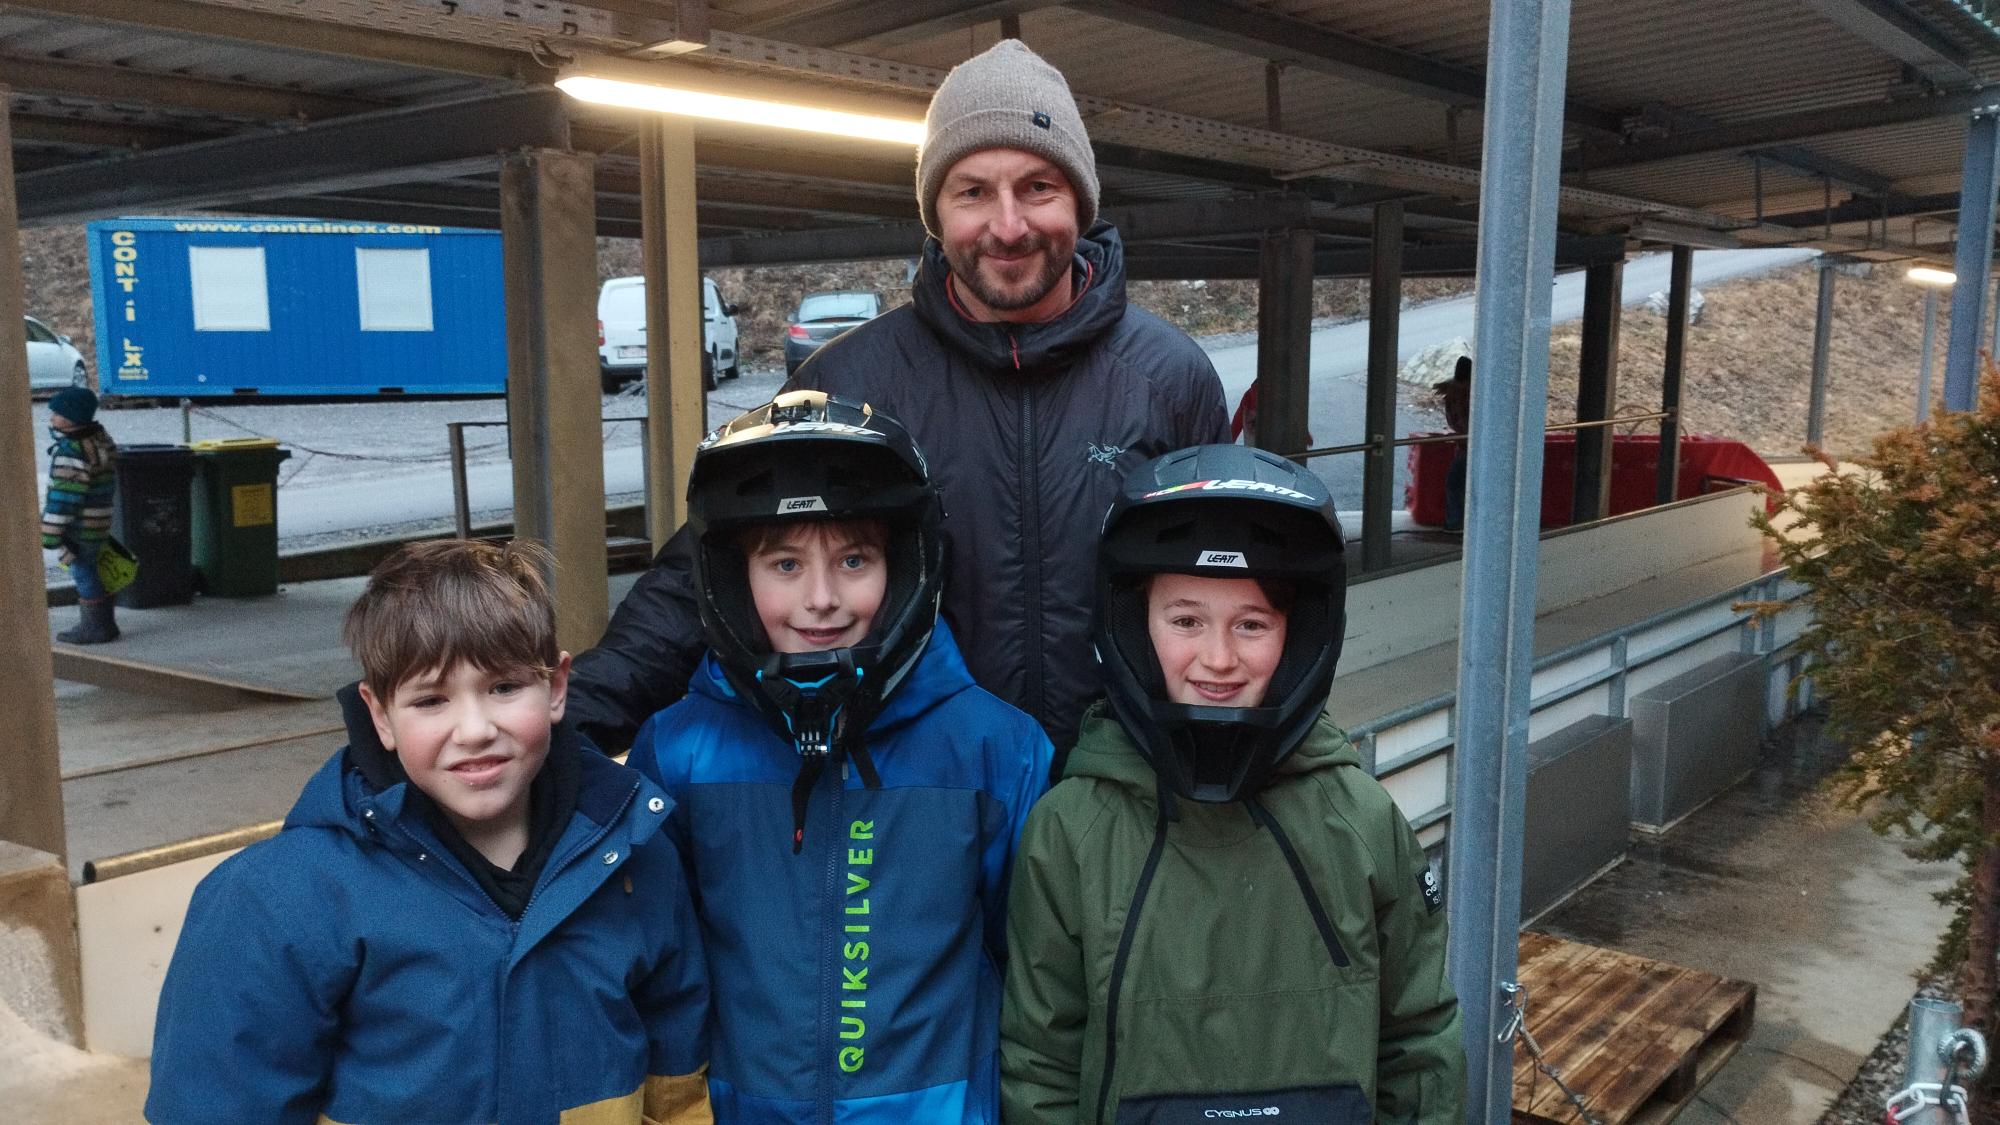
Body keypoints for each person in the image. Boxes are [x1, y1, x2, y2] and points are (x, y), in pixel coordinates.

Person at [572, 38, 1229, 757]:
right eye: (972, 192)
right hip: (915, 796)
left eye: (1038, 187)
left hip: (1120, 789)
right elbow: (708, 570)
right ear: (935, 213)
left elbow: (1235, 584)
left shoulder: (1170, 379)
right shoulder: (850, 382)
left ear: (1081, 199)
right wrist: (567, 729)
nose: (1008, 226)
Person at [147, 540, 712, 1125]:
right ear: (380, 716)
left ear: (557, 688)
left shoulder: (637, 858)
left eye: (504, 687)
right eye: (431, 700)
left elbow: (677, 1089)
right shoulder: (276, 900)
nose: (474, 730)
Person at [1001, 444, 1464, 1123]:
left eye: (1251, 624)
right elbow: (1039, 1066)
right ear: (1135, 626)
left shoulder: (1361, 820)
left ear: (1298, 636)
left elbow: (1419, 1046)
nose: (1218, 659)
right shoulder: (1070, 829)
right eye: (1186, 621)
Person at [627, 392, 1052, 1122]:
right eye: (785, 563)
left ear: (906, 563)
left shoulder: (995, 748)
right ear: (732, 576)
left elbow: (1030, 974)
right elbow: (662, 973)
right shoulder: (679, 750)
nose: (821, 598)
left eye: (854, 559)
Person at [42, 385, 119, 644]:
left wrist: (50, 533)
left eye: (57, 413)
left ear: (73, 418)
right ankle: (105, 623)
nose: (52, 417)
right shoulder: (99, 440)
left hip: (79, 526)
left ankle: (95, 627)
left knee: (84, 572)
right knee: (91, 569)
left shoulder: (72, 452)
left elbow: (64, 498)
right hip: (99, 520)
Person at [1433, 354, 1472, 532]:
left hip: (1467, 445)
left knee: (1454, 483)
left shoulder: (1457, 393)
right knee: (1459, 482)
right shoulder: (1471, 392)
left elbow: (1462, 423)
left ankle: (1456, 522)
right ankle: (1458, 521)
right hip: (1467, 444)